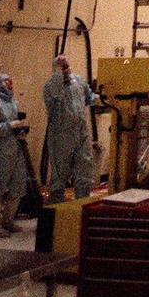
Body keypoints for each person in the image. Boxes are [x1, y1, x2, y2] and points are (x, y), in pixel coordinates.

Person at [43, 54, 96, 203]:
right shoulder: (51, 87)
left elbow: (90, 98)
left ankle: (82, 204)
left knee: (84, 166)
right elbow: (53, 100)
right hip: (61, 134)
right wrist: (59, 78)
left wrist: (110, 97)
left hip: (81, 132)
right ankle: (56, 205)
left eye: (66, 66)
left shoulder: (78, 82)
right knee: (60, 171)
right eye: (62, 67)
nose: (65, 69)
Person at [0, 74, 29, 236]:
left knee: (18, 185)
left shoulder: (13, 102)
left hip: (16, 148)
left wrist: (21, 130)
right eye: (6, 81)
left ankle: (8, 220)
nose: (10, 83)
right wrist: (9, 126)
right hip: (2, 149)